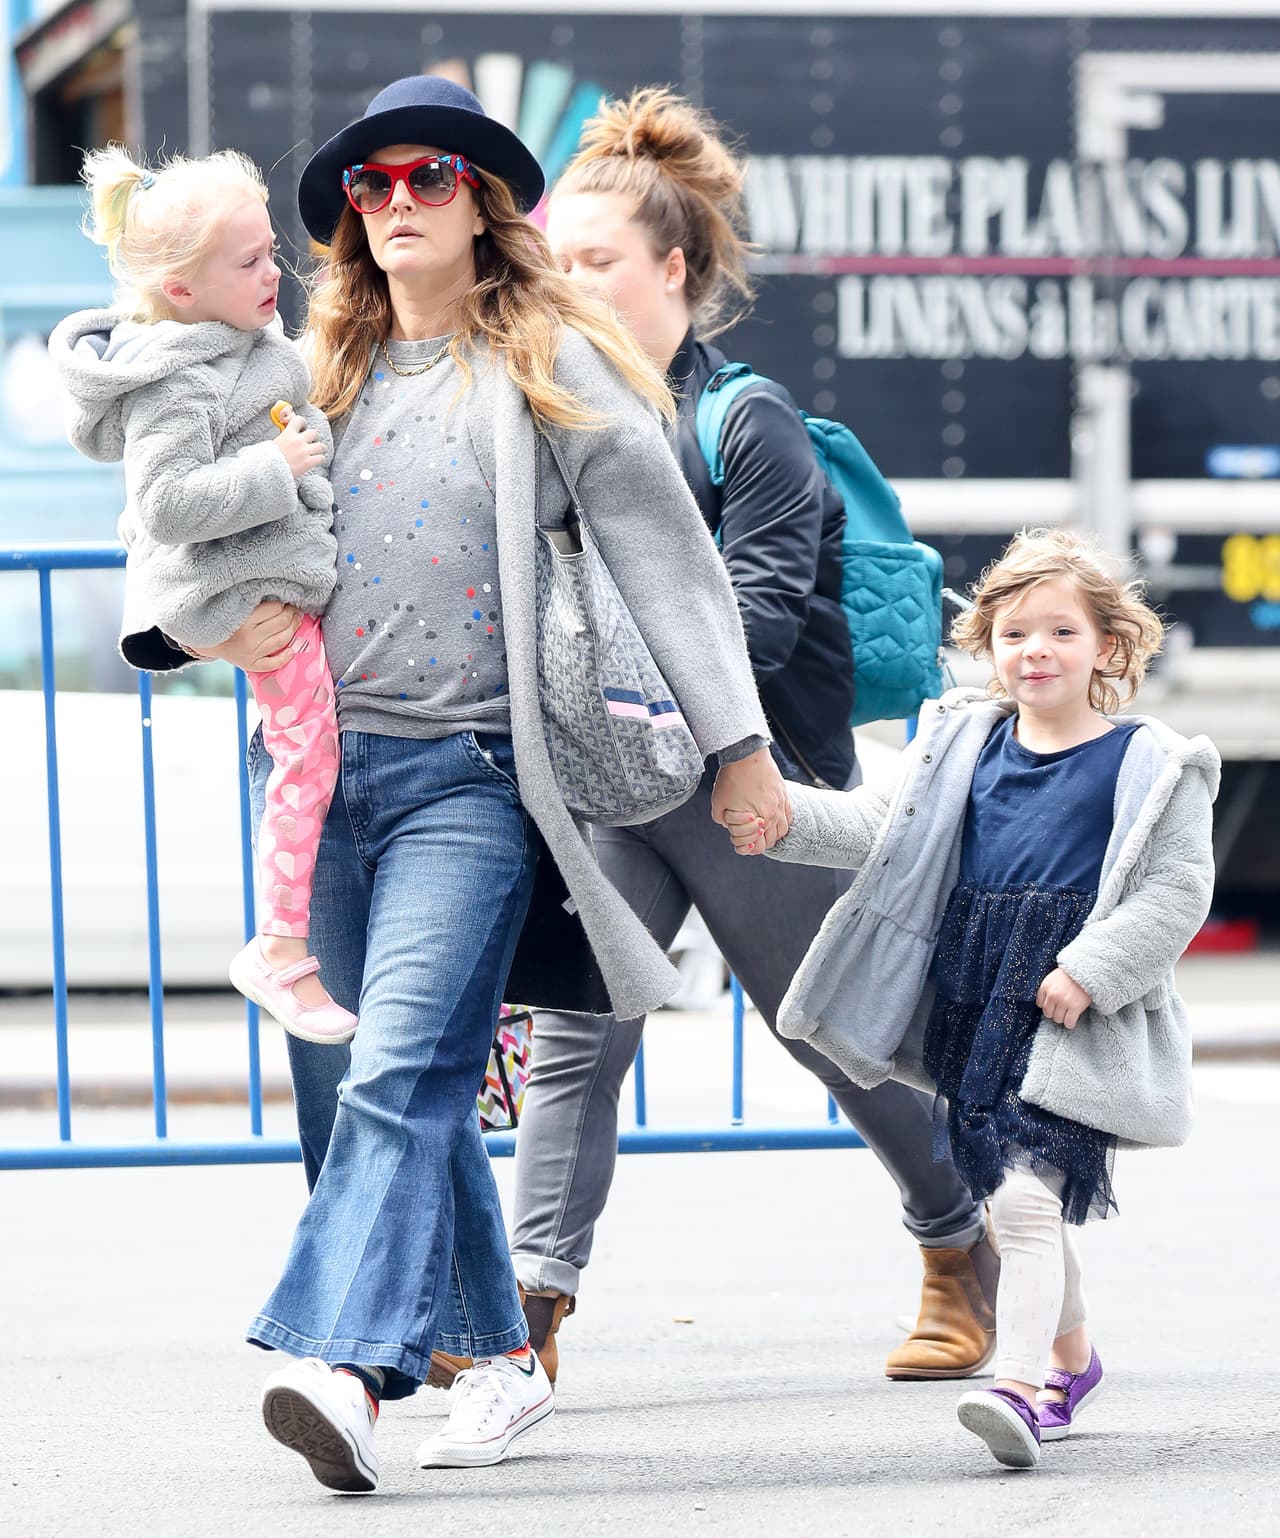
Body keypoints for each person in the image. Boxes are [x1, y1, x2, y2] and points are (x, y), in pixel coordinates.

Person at [135, 74, 790, 1495]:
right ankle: (494, 1354)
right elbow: (176, 506)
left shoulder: (555, 357)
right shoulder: (308, 368)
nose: (394, 203)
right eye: (370, 186)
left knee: (408, 1066)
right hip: (322, 785)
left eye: (427, 177)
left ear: (485, 203)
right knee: (371, 1087)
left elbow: (670, 559)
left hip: (473, 782)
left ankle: (341, 1367)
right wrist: (189, 627)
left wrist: (738, 749)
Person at [489, 87, 998, 1391]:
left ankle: (960, 1246)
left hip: (749, 774)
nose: (565, 279)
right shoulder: (553, 409)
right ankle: (527, 1312)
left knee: (830, 1030)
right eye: (555, 256)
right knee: (574, 1035)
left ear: (673, 268)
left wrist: (622, 685)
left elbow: (756, 621)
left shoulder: (744, 421)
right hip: (614, 782)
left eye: (594, 258)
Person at [726, 528, 1218, 1469]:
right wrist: (778, 818)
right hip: (973, 988)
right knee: (1006, 1194)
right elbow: (878, 827)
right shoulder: (961, 740)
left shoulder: (1155, 761)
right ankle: (1073, 1362)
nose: (1035, 651)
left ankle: (1021, 1389)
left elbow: (1174, 893)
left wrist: (1093, 970)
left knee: (1030, 1202)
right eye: (1014, 633)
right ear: (986, 644)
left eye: (1061, 633)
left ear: (1108, 648)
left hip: (1071, 1001)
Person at [50, 147, 357, 1047]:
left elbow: (281, 432)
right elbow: (164, 504)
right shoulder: (178, 377)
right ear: (182, 292)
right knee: (307, 758)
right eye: (250, 261)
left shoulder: (242, 347)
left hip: (251, 583)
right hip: (235, 593)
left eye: (271, 252)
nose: (274, 274)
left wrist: (301, 445)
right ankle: (279, 949)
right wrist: (280, 464)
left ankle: (285, 945)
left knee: (304, 750)